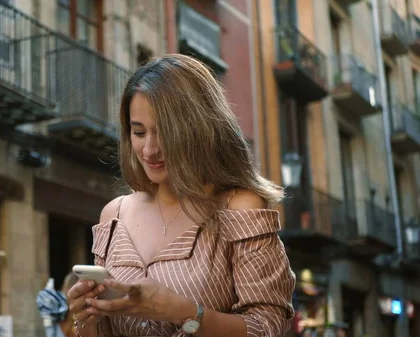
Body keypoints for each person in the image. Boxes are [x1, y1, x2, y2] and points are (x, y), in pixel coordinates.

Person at [66, 54, 296, 337]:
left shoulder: (240, 208)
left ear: (199, 130)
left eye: (164, 133)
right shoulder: (113, 214)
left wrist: (184, 312)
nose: (149, 150)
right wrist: (86, 316)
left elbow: (269, 328)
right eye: (139, 132)